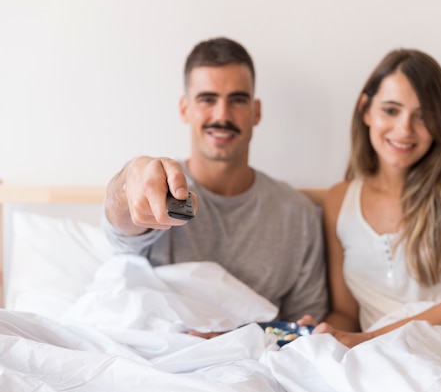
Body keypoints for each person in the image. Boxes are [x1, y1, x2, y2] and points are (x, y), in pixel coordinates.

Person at [103, 37, 328, 329]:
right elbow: (121, 223)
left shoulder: (296, 213)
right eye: (207, 100)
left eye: (237, 100)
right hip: (167, 360)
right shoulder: (154, 188)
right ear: (185, 109)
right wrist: (130, 179)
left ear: (256, 111)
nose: (222, 115)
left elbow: (305, 326)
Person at [306, 48, 441, 348]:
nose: (404, 129)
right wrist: (320, 333)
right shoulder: (338, 200)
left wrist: (372, 338)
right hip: (377, 353)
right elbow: (346, 313)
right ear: (366, 110)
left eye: (423, 116)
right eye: (391, 110)